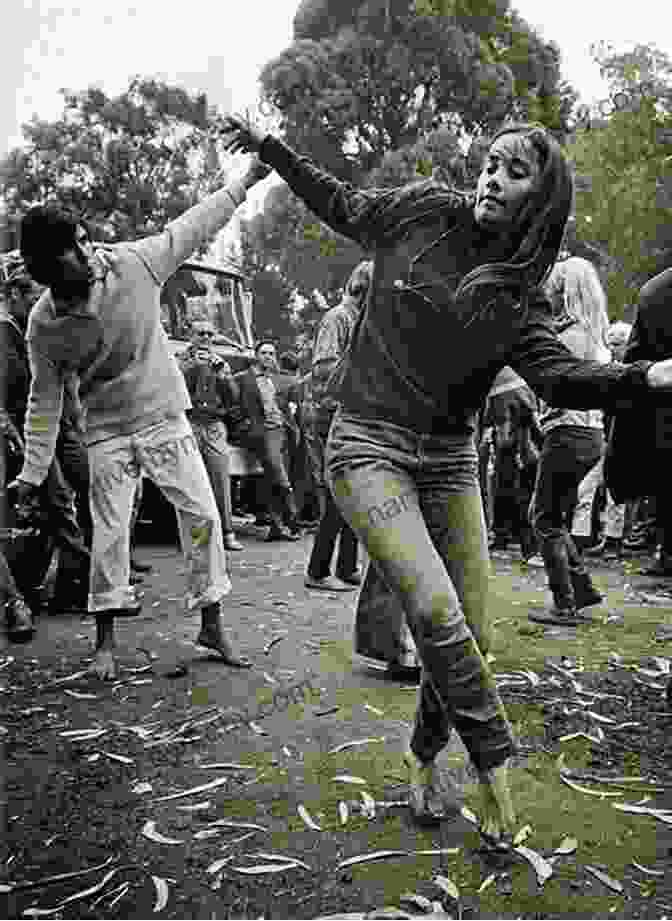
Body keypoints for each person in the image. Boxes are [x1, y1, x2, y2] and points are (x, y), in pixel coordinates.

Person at [223, 114, 672, 848]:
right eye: (490, 162)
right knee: (433, 607)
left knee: (474, 630)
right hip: (366, 444)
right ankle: (495, 766)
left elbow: (558, 377)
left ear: (542, 200)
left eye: (515, 171)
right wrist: (272, 149)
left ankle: (424, 754)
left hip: (450, 457)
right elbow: (341, 200)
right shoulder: (422, 209)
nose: (492, 176)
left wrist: (644, 375)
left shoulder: (517, 295)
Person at [9, 157, 270, 679]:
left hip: (163, 414)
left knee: (203, 516)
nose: (89, 252)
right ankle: (104, 641)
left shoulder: (134, 262)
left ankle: (211, 623)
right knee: (109, 534)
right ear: (47, 270)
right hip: (105, 428)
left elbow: (193, 225)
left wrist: (244, 182)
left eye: (85, 238)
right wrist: (33, 474)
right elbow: (45, 399)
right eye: (73, 249)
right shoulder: (44, 325)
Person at [528, 256, 611, 625]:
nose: (549, 291)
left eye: (555, 285)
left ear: (565, 290)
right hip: (589, 433)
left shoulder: (571, 337)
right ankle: (582, 590)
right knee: (556, 516)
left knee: (543, 517)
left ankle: (565, 603)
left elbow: (558, 386)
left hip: (567, 431)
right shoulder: (593, 333)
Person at [305, 261, 371, 591]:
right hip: (332, 415)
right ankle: (317, 571)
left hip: (353, 414)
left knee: (354, 495)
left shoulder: (360, 321)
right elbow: (322, 369)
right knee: (336, 496)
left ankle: (346, 566)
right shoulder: (337, 318)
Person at [609, 268, 672, 577]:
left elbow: (634, 358)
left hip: (663, 408)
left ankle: (667, 554)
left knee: (665, 487)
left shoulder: (654, 290)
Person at [178, 320, 243, 551]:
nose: (206, 337)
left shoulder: (220, 361)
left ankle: (227, 533)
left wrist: (224, 376)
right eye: (201, 333)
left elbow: (234, 397)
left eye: (209, 333)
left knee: (220, 478)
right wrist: (192, 368)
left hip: (214, 424)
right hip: (189, 423)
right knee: (189, 481)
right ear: (191, 335)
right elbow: (172, 388)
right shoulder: (180, 359)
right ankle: (194, 536)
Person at [229, 340, 302, 541]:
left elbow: (288, 405)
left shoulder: (279, 379)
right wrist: (245, 425)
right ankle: (292, 517)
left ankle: (277, 528)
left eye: (271, 353)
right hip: (261, 433)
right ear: (256, 355)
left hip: (283, 431)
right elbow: (233, 405)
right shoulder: (243, 378)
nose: (268, 357)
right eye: (264, 353)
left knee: (272, 478)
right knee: (278, 473)